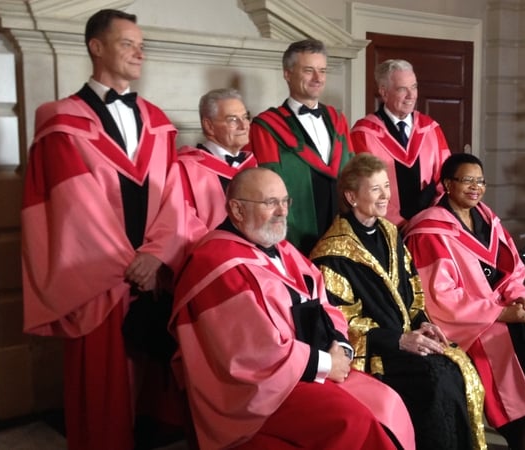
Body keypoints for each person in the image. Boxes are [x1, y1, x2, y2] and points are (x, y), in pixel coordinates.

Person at [21, 9, 188, 450]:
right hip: (98, 281)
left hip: (152, 273)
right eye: (127, 43)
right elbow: (74, 210)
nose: (139, 52)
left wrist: (156, 255)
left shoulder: (156, 119)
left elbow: (175, 195)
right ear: (96, 47)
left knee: (158, 390)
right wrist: (128, 264)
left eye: (141, 44)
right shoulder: (59, 121)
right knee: (103, 393)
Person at [170, 167, 415, 450]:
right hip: (258, 391)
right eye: (270, 202)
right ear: (237, 209)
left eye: (285, 201)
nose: (282, 211)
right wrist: (325, 364)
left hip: (304, 368)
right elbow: (253, 352)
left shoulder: (283, 249)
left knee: (387, 402)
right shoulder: (214, 263)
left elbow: (326, 304)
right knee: (352, 420)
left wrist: (341, 347)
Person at [310, 154, 487, 450]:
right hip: (375, 354)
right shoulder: (333, 253)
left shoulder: (389, 232)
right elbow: (344, 323)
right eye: (375, 189)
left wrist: (422, 323)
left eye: (386, 186)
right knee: (435, 379)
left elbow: (413, 289)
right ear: (352, 196)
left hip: (407, 339)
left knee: (457, 366)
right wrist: (400, 340)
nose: (385, 196)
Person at [404, 153, 525, 450]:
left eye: (480, 181)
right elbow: (441, 297)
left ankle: (522, 436)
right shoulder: (429, 230)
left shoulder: (487, 218)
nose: (476, 187)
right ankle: (521, 440)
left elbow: (512, 270)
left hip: (502, 310)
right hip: (464, 322)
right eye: (467, 180)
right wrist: (500, 313)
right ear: (447, 184)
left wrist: (521, 300)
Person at [248, 38, 355, 254]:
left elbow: (353, 173)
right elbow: (266, 185)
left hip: (343, 234)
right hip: (295, 239)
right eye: (309, 71)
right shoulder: (267, 127)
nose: (318, 78)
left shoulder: (338, 120)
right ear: (287, 73)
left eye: (322, 71)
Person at [351, 59, 450, 227]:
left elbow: (445, 178)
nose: (411, 95)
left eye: (414, 87)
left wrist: (428, 218)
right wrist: (399, 224)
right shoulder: (363, 133)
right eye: (403, 89)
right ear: (384, 92)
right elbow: (364, 186)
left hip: (427, 226)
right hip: (382, 226)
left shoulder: (430, 129)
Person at [178, 88, 257, 235]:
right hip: (213, 252)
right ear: (209, 126)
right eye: (233, 119)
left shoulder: (252, 165)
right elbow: (183, 227)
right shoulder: (186, 168)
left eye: (245, 117)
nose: (243, 125)